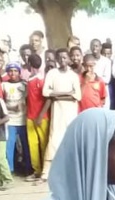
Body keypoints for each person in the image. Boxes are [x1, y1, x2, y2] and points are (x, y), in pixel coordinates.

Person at [42, 49, 81, 182]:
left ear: (69, 59)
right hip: (57, 111)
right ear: (57, 60)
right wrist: (67, 94)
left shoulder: (73, 76)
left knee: (70, 139)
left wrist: (57, 94)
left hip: (70, 112)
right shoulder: (52, 73)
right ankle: (46, 171)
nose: (63, 61)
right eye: (60, 58)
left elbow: (77, 96)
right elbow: (46, 92)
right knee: (54, 139)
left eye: (65, 58)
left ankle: (70, 172)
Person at [24, 54, 50, 182]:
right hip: (30, 116)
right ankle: (37, 170)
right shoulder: (30, 79)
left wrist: (40, 115)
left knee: (44, 144)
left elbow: (47, 99)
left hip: (42, 117)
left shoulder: (41, 80)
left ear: (30, 64)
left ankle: (46, 170)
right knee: (33, 145)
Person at [1, 63, 26, 174]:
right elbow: (0, 102)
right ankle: (9, 169)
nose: (13, 73)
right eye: (10, 71)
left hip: (23, 118)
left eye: (15, 71)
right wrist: (10, 107)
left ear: (19, 72)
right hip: (10, 119)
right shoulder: (4, 85)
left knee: (25, 145)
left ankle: (27, 167)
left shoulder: (24, 84)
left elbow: (29, 99)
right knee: (9, 145)